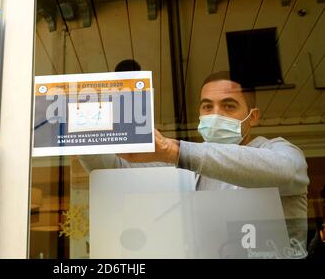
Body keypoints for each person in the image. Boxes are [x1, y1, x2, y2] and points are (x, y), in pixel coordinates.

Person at [80, 70, 310, 256]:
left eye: (228, 106)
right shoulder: (188, 167)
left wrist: (173, 151)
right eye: (207, 106)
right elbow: (116, 172)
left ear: (253, 116)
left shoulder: (279, 151)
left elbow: (284, 171)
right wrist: (79, 138)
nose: (215, 114)